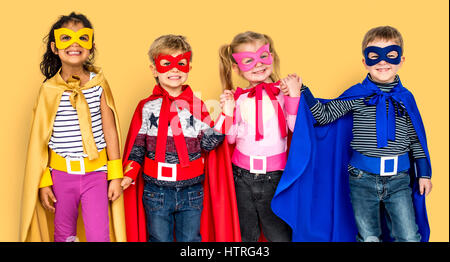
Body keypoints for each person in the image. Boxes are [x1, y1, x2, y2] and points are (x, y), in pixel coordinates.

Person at [272, 26, 432, 242]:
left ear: (401, 60)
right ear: (365, 61)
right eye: (374, 56)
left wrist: (424, 173)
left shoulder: (405, 98)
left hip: (399, 180)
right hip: (362, 178)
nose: (382, 62)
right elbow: (324, 116)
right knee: (368, 236)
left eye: (390, 56)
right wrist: (302, 90)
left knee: (408, 236)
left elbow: (416, 139)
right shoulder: (357, 95)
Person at [121, 34, 238, 242]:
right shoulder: (146, 107)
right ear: (154, 69)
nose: (174, 69)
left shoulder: (196, 106)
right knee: (158, 239)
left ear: (189, 68)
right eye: (167, 64)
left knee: (191, 241)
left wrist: (226, 115)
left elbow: (208, 144)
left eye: (181, 64)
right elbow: (137, 145)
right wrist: (130, 174)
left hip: (191, 190)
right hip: (155, 191)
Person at [21, 12, 126, 242]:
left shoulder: (99, 85)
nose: (75, 44)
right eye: (67, 38)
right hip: (60, 175)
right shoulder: (49, 91)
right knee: (63, 234)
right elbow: (41, 140)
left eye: (83, 38)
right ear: (54, 47)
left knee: (100, 235)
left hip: (96, 174)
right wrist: (43, 181)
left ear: (91, 46)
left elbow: (110, 131)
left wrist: (116, 175)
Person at [218, 31, 301, 242]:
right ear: (236, 68)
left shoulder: (282, 94)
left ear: (272, 56)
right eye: (248, 61)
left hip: (275, 175)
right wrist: (228, 111)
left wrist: (294, 95)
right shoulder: (239, 98)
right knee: (247, 234)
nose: (258, 65)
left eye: (263, 57)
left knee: (279, 234)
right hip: (242, 176)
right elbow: (230, 139)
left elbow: (295, 128)